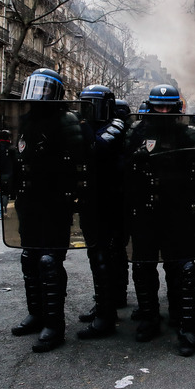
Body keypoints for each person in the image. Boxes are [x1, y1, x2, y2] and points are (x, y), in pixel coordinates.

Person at [123, 83, 195, 356]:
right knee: (143, 266)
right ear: (150, 107)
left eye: (167, 107)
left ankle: (185, 325)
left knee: (182, 268)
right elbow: (121, 170)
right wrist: (134, 162)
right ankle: (149, 319)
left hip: (179, 211)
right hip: (146, 210)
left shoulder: (190, 134)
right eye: (158, 106)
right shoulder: (137, 133)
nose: (162, 111)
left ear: (176, 108)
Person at [8, 68, 86, 353]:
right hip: (30, 198)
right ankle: (36, 313)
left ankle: (54, 325)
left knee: (49, 261)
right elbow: (20, 155)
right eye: (35, 87)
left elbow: (78, 161)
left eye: (44, 88)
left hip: (55, 199)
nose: (38, 93)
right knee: (29, 258)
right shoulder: (27, 119)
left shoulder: (67, 120)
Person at [75, 84, 128, 340]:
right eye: (84, 105)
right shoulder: (87, 127)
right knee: (95, 254)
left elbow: (96, 150)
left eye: (92, 105)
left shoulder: (115, 125)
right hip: (91, 199)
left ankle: (106, 315)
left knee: (103, 256)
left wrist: (82, 124)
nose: (87, 111)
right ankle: (104, 305)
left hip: (109, 201)